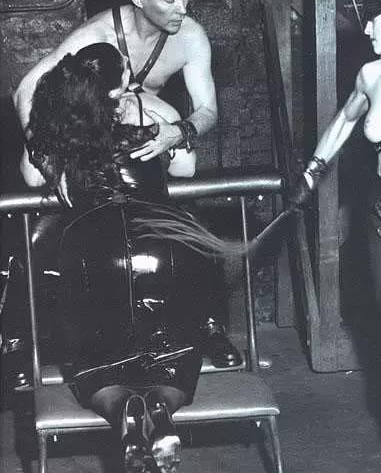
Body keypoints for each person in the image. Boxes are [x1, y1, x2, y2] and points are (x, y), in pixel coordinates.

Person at [18, 41, 251, 473]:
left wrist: (54, 120)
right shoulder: (144, 120)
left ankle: (121, 408)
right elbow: (185, 169)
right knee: (173, 351)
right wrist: (157, 120)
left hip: (93, 255)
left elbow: (31, 177)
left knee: (96, 360)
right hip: (162, 245)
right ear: (118, 85)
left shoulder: (60, 136)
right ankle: (161, 407)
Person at [13, 0, 240, 368]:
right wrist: (48, 161)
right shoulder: (95, 36)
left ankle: (208, 325)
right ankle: (19, 343)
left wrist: (180, 132)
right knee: (41, 237)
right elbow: (27, 89)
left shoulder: (190, 37)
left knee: (193, 226)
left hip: (146, 143)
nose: (182, 8)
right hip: (87, 149)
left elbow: (208, 109)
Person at [290, 0, 381, 413]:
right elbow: (343, 123)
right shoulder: (372, 75)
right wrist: (310, 174)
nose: (366, 29)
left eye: (373, 20)